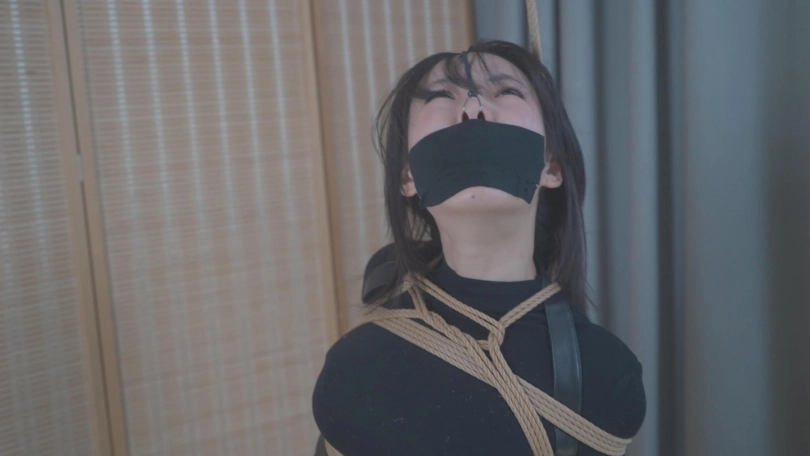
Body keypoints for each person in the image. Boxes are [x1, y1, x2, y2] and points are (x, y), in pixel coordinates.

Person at [312, 40, 646, 456]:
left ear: (551, 167)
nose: (473, 109)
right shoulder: (356, 370)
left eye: (505, 91)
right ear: (408, 177)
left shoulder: (608, 377)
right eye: (440, 96)